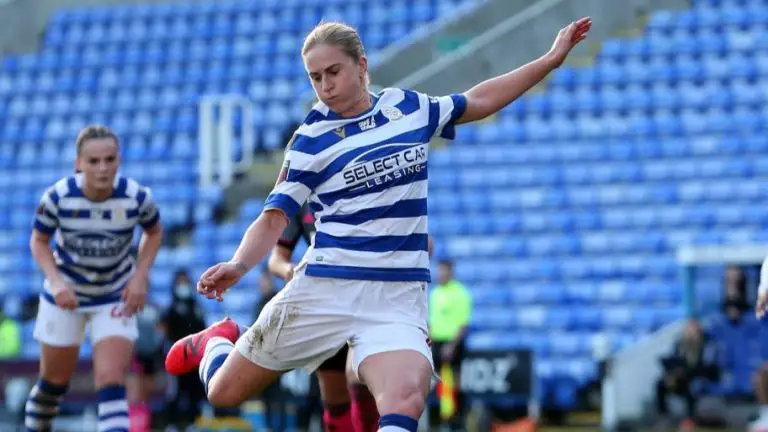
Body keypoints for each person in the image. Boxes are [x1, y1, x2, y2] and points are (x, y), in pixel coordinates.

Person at [165, 18, 592, 432]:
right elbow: (273, 217)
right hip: (325, 290)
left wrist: (549, 60)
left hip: (396, 295)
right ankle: (218, 341)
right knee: (223, 392)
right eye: (315, 77)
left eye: (333, 71)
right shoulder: (310, 139)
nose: (325, 85)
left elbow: (475, 100)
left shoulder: (407, 108)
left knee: (406, 394)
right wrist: (239, 266)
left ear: (362, 65)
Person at [25, 125, 163, 432]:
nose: (102, 168)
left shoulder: (137, 197)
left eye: (109, 159)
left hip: (114, 295)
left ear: (119, 160)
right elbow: (38, 241)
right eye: (93, 161)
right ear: (78, 163)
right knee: (54, 383)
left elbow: (154, 232)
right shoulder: (57, 197)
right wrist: (57, 282)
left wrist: (140, 276)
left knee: (111, 380)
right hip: (66, 296)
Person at [268, 202, 381, 432]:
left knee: (358, 376)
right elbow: (275, 259)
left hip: (365, 298)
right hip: (324, 305)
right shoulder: (301, 204)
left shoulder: (360, 188)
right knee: (334, 395)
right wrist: (289, 270)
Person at [427, 259, 471, 431]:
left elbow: (463, 324)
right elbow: (430, 321)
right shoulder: (435, 293)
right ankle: (437, 422)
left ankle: (457, 423)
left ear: (451, 272)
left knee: (455, 383)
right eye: (439, 271)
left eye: (444, 271)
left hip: (453, 344)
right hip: (436, 342)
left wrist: (452, 345)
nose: (441, 274)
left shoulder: (460, 293)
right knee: (436, 384)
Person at [161, 270, 207, 430]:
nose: (183, 286)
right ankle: (172, 424)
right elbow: (165, 332)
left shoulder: (196, 307)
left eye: (185, 282)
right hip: (176, 357)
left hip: (194, 358)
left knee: (194, 391)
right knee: (174, 393)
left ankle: (193, 423)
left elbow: (203, 330)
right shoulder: (171, 308)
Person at [654, 319, 719, 430]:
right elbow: (674, 360)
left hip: (700, 377)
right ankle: (664, 417)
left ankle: (689, 419)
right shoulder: (680, 344)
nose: (689, 332)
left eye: (692, 330)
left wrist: (687, 370)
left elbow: (707, 366)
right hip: (681, 379)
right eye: (687, 330)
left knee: (692, 385)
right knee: (661, 383)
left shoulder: (707, 344)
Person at [254, 269, 288, 431]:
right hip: (263, 357)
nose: (262, 284)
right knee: (266, 397)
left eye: (265, 281)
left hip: (278, 355)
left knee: (279, 396)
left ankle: (279, 427)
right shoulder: (258, 303)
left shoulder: (278, 300)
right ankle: (268, 427)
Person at [127, 300, 164, 432]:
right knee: (134, 395)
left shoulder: (154, 309)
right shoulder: (130, 307)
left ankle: (143, 425)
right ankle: (133, 425)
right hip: (135, 356)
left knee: (145, 395)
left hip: (151, 357)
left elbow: (161, 330)